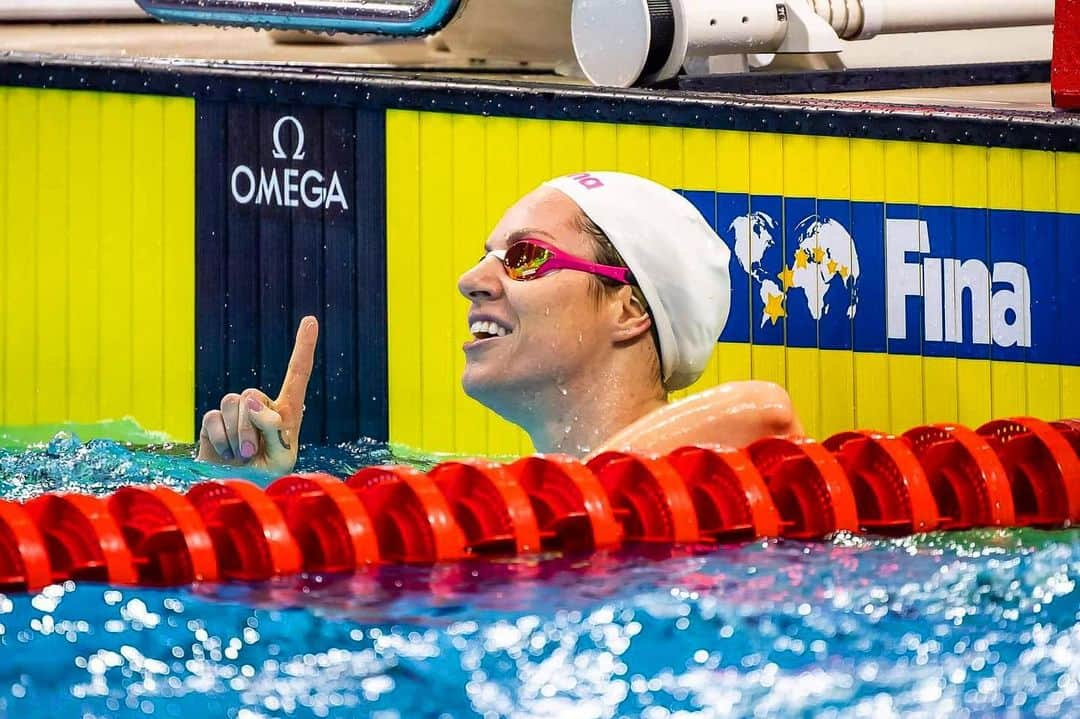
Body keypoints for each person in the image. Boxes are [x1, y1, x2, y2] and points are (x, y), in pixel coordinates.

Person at [196, 171, 802, 473]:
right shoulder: (504, 503)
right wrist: (255, 495)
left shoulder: (709, 474)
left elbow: (763, 409)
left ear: (629, 310)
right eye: (488, 256)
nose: (473, 279)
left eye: (525, 257)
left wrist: (555, 502)